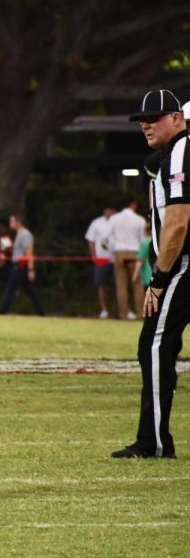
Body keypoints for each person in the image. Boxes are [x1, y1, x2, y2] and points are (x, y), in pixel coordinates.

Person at [113, 89, 188, 459]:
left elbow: (178, 221)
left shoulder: (181, 149)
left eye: (154, 117)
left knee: (155, 346)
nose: (146, 124)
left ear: (177, 117)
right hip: (177, 265)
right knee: (159, 345)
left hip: (182, 266)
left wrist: (159, 278)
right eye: (142, 119)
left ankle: (154, 442)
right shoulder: (171, 153)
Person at [0, 214, 45, 316]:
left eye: (12, 221)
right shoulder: (19, 234)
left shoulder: (25, 234)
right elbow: (18, 250)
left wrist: (31, 269)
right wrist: (8, 247)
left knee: (10, 289)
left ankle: (1, 311)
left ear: (18, 222)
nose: (10, 224)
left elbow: (29, 252)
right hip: (17, 264)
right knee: (29, 290)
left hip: (20, 266)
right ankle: (41, 311)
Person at [108, 197, 146, 320]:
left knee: (121, 285)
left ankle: (123, 313)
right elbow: (143, 239)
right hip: (135, 252)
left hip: (119, 252)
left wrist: (111, 255)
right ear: (133, 204)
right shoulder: (139, 219)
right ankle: (140, 313)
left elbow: (109, 238)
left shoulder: (114, 219)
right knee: (137, 284)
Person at [84, 205, 115, 319]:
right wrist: (94, 256)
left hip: (115, 259)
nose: (109, 211)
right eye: (107, 208)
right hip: (101, 259)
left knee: (119, 285)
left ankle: (120, 309)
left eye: (111, 209)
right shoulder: (96, 223)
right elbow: (91, 240)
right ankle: (104, 309)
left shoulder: (117, 221)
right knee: (102, 285)